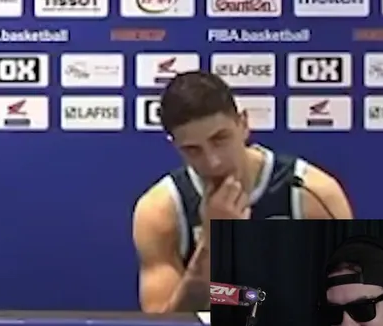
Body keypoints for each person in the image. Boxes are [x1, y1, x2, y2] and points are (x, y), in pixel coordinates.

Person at [133, 71, 352, 313]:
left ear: (244, 124)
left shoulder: (312, 194)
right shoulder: (161, 210)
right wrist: (210, 244)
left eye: (220, 139)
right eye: (193, 149)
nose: (213, 161)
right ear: (175, 146)